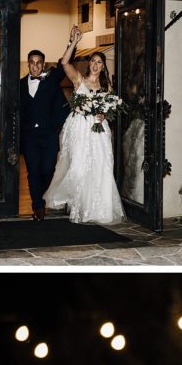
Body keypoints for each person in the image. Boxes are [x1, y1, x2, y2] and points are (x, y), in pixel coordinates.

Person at [43, 28, 125, 224]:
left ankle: (100, 210)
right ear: (89, 63)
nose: (96, 65)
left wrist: (104, 114)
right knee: (80, 168)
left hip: (99, 129)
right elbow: (64, 63)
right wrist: (74, 41)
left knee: (101, 167)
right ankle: (80, 207)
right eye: (93, 61)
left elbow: (111, 107)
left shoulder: (107, 88)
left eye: (100, 62)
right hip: (80, 128)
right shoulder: (79, 79)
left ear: (104, 66)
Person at [19, 42, 73, 221]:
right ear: (28, 64)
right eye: (32, 62)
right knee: (33, 171)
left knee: (48, 169)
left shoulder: (50, 80)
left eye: (38, 63)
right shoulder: (19, 85)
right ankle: (38, 206)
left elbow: (64, 63)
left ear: (43, 64)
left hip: (49, 134)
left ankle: (40, 195)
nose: (35, 66)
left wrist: (72, 42)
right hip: (29, 137)